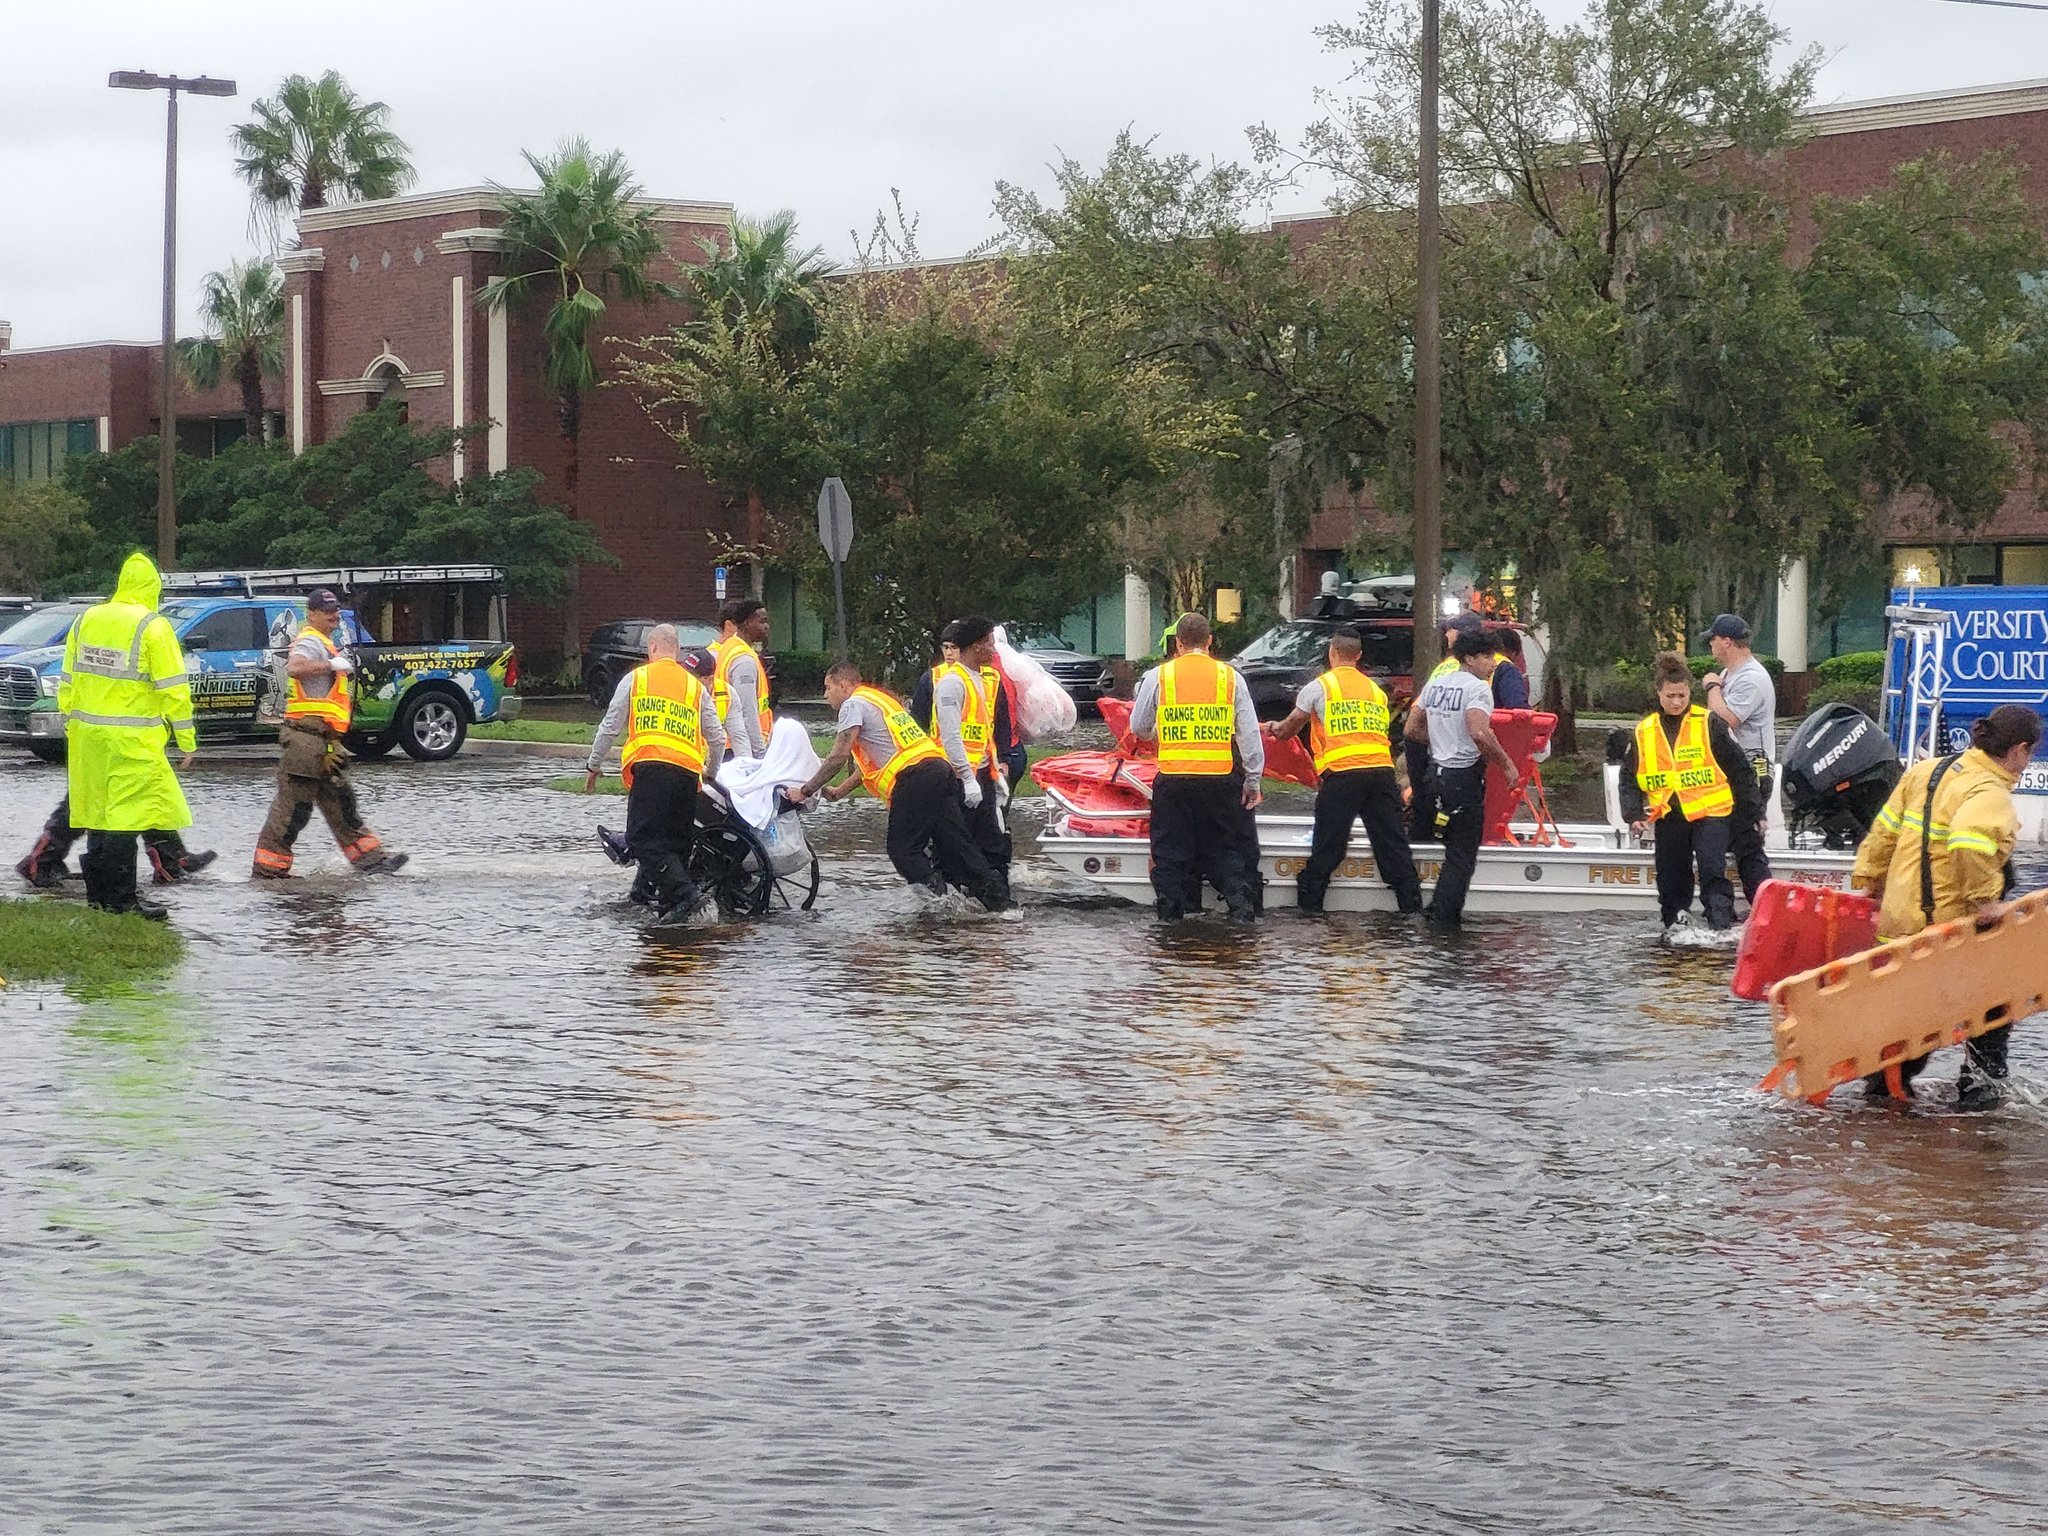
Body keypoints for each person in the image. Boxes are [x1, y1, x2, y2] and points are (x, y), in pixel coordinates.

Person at [1850, 703, 2042, 1109]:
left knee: (1911, 1022)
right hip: (1946, 931)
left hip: (1899, 923)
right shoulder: (1989, 792)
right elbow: (1969, 843)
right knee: (1991, 1015)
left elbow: (1884, 831)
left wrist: (1867, 879)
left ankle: (1880, 1099)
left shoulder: (1929, 771)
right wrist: (1987, 901)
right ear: (2020, 750)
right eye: (2029, 755)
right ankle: (1981, 1105)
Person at [789, 661, 1010, 912]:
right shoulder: (880, 700)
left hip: (915, 779)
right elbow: (879, 758)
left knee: (903, 850)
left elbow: (838, 756)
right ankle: (999, 902)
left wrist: (805, 791)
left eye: (828, 688)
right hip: (939, 770)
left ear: (843, 684)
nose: (826, 695)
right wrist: (840, 791)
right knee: (957, 845)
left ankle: (941, 904)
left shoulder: (852, 705)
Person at [54, 552, 200, 920]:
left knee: (99, 817)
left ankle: (99, 899)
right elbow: (174, 689)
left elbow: (67, 678)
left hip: (87, 738)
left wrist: (72, 721)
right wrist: (186, 739)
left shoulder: (86, 618)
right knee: (125, 819)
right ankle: (122, 901)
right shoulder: (153, 626)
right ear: (153, 588)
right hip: (131, 741)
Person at [252, 589, 408, 880]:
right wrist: (330, 665)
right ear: (311, 614)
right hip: (305, 741)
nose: (334, 615)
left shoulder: (325, 642)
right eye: (327, 611)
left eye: (336, 610)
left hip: (324, 743)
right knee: (293, 810)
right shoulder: (310, 640)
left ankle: (372, 862)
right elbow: (296, 667)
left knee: (342, 803)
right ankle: (268, 871)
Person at [1264, 627, 1421, 914]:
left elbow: (1290, 728)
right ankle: (1411, 910)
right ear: (1358, 656)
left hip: (1343, 776)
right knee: (1393, 846)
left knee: (1329, 848)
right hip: (1381, 774)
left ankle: (1309, 910)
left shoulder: (1319, 687)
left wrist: (1273, 728)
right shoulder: (1375, 691)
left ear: (1332, 653)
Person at [1129, 612, 1265, 920]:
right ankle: (1241, 913)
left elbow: (1138, 726)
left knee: (1170, 853)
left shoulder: (1158, 676)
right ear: (1209, 642)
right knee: (1225, 849)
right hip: (1219, 780)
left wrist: (1157, 733)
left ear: (1177, 643)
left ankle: (1171, 920)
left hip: (1174, 780)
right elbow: (1249, 735)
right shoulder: (1230, 677)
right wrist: (1253, 781)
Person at [585, 623, 724, 922]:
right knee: (673, 844)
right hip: (687, 773)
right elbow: (718, 737)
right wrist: (710, 773)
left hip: (651, 770)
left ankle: (688, 897)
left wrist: (593, 765)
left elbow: (610, 726)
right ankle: (649, 899)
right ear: (676, 650)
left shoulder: (636, 679)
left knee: (642, 841)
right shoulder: (694, 687)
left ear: (651, 648)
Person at [1617, 651, 1756, 932]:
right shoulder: (1644, 731)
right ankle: (1673, 924)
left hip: (1711, 813)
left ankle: (1721, 926)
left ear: (1689, 692)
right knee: (1671, 876)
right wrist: (1632, 815)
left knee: (1711, 869)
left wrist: (1752, 812)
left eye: (1682, 695)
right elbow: (1629, 778)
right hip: (1669, 814)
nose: (1677, 702)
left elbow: (1740, 769)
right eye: (1671, 696)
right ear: (1659, 694)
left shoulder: (1709, 723)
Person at [1403, 630, 1519, 924]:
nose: (1493, 663)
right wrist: (1506, 765)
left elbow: (1411, 729)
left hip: (1434, 774)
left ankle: (1432, 906)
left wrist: (1440, 741)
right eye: (1487, 657)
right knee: (1462, 853)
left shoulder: (1437, 684)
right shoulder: (1478, 689)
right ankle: (1443, 917)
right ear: (1469, 659)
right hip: (1463, 776)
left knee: (1445, 840)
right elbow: (1480, 732)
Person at [931, 616, 1012, 903]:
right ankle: (956, 902)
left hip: (982, 774)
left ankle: (991, 901)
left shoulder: (982, 679)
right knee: (957, 845)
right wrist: (967, 777)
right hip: (957, 778)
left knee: (991, 842)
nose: (994, 648)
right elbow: (950, 735)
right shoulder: (953, 683)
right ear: (976, 646)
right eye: (989, 642)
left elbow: (987, 731)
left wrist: (995, 772)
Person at [1699, 613, 1775, 901]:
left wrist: (1712, 686)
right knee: (1730, 835)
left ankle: (1764, 903)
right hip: (1730, 770)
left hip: (1752, 770)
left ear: (1727, 642)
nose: (1711, 645)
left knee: (1746, 841)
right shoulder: (1732, 674)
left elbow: (1726, 718)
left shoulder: (1751, 678)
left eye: (1713, 640)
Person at [16, 796, 216, 889]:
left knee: (143, 793)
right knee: (89, 798)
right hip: (103, 738)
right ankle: (40, 861)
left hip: (115, 737)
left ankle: (172, 858)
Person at [1406, 609, 1486, 841]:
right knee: (1442, 805)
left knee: (1428, 801)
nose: (1446, 633)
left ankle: (1424, 841)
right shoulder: (1457, 669)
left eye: (1451, 629)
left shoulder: (1449, 666)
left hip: (1425, 741)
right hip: (1435, 744)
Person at [712, 599, 772, 761]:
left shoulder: (730, 647)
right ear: (746, 623)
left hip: (728, 742)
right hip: (739, 748)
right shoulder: (743, 660)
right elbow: (747, 711)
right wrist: (759, 753)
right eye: (762, 621)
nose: (766, 626)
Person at [1485, 626, 1530, 710]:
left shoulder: (1465, 663)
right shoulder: (1506, 669)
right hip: (1487, 720)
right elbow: (1518, 708)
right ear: (1513, 653)